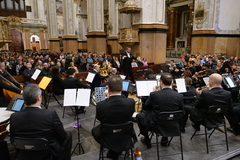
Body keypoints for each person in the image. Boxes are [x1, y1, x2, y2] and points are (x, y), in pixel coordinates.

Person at [10, 84, 72, 160]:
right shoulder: (50, 114)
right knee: (68, 135)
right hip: (48, 154)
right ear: (39, 98)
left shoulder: (14, 117)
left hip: (24, 154)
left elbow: (12, 139)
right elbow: (63, 136)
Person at [91, 75, 136, 159]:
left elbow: (99, 118)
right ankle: (118, 149)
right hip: (125, 133)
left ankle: (113, 151)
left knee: (94, 131)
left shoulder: (101, 105)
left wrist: (107, 100)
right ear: (122, 88)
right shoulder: (130, 102)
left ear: (108, 88)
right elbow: (130, 115)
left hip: (108, 135)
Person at [136, 73, 183, 149]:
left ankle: (147, 140)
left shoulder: (154, 94)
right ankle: (164, 138)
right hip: (173, 123)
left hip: (156, 124)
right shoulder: (179, 96)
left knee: (139, 116)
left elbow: (146, 106)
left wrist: (153, 92)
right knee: (166, 115)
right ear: (171, 82)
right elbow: (182, 112)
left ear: (161, 82)